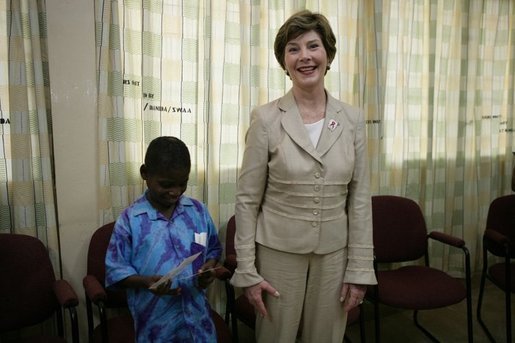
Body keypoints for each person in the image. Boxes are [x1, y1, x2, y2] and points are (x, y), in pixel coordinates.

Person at [230, 10, 377, 343]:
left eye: (313, 46)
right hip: (277, 254)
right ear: (284, 61)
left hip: (334, 255)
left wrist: (359, 269)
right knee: (275, 337)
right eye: (293, 49)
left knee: (326, 337)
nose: (304, 56)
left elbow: (359, 200)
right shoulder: (266, 119)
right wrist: (248, 272)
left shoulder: (352, 119)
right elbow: (247, 200)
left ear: (328, 54)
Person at [105, 136, 223, 342]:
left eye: (183, 184)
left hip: (198, 322)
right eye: (166, 184)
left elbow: (213, 249)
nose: (175, 192)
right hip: (156, 325)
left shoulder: (198, 211)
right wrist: (145, 282)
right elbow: (115, 270)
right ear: (145, 174)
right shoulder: (130, 221)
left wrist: (208, 269)